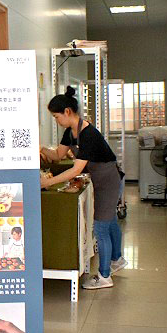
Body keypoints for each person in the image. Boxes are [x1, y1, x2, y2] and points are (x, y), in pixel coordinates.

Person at [40, 86, 125, 289]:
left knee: (101, 227)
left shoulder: (88, 134)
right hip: (101, 179)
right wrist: (40, 148)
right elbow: (58, 155)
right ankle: (117, 259)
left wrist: (48, 182)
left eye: (56, 117)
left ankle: (104, 276)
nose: (56, 121)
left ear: (67, 112)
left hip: (109, 179)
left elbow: (76, 169)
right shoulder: (70, 132)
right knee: (110, 221)